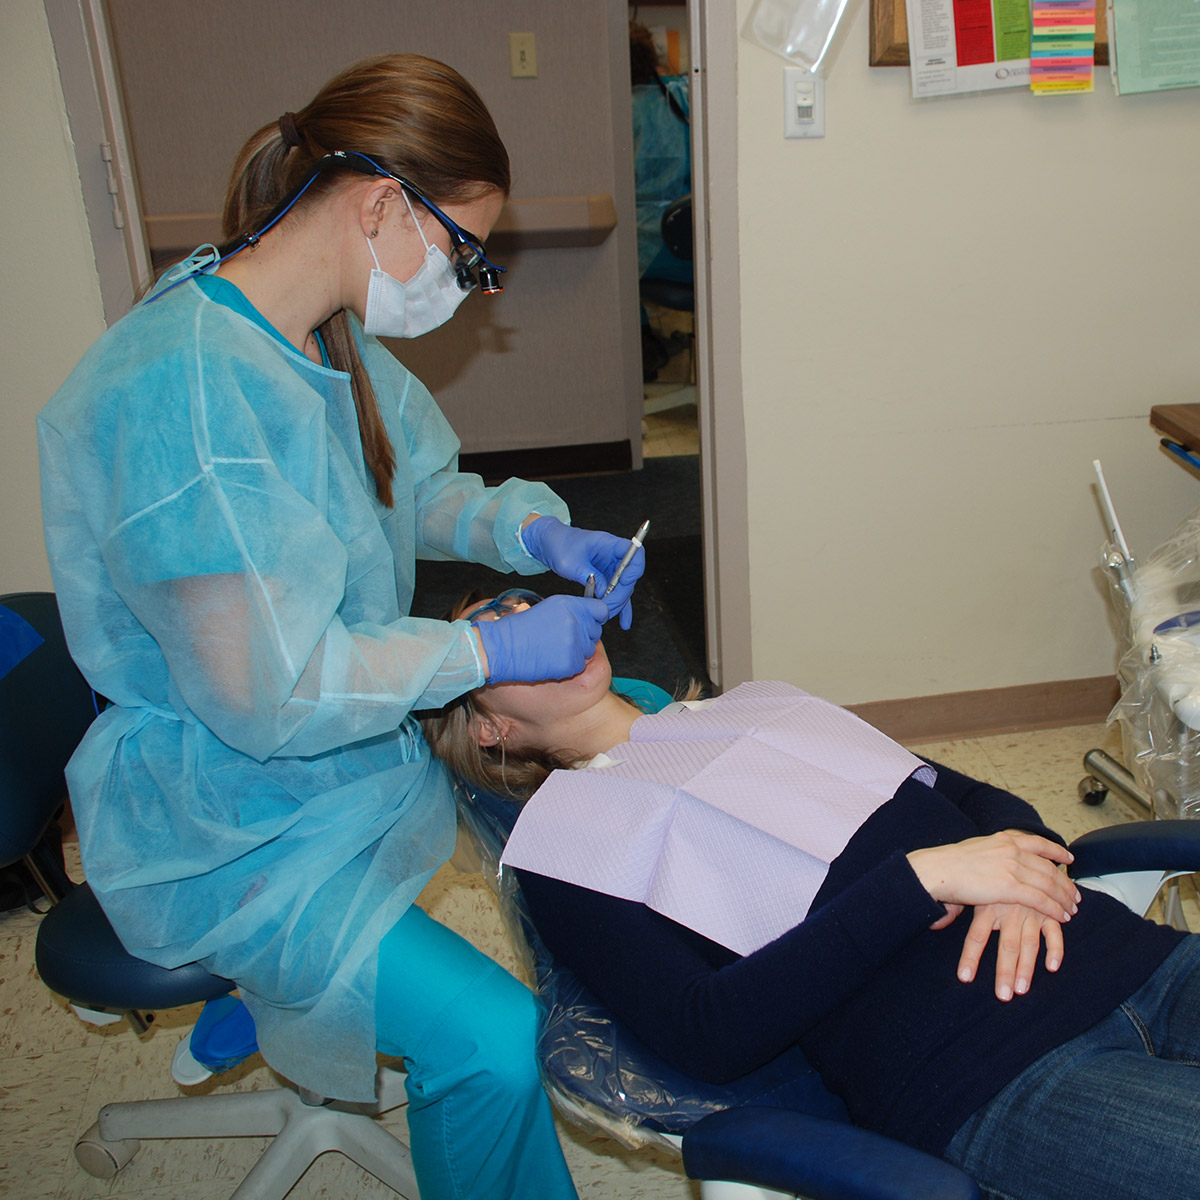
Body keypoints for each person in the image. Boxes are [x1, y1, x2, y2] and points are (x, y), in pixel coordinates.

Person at [37, 54, 648, 1200]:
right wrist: (484, 653)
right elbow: (267, 692)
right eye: (465, 253)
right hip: (231, 824)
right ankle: (264, 976)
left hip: (329, 764)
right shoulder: (191, 396)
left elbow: (407, 485)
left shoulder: (309, 324)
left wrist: (534, 537)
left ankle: (275, 1001)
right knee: (492, 1043)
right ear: (379, 204)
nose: (467, 287)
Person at [422, 588, 1200, 1200]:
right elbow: (706, 1031)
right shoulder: (564, 847)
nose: (525, 618)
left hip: (1136, 960)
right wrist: (923, 879)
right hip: (999, 1075)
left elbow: (980, 800)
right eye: (497, 634)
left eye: (527, 604)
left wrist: (1010, 877)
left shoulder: (760, 709)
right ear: (489, 732)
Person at [629, 20, 692, 382]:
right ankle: (646, 342)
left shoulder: (621, 110)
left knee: (612, 268)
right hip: (690, 237)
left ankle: (641, 340)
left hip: (650, 239)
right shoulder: (679, 94)